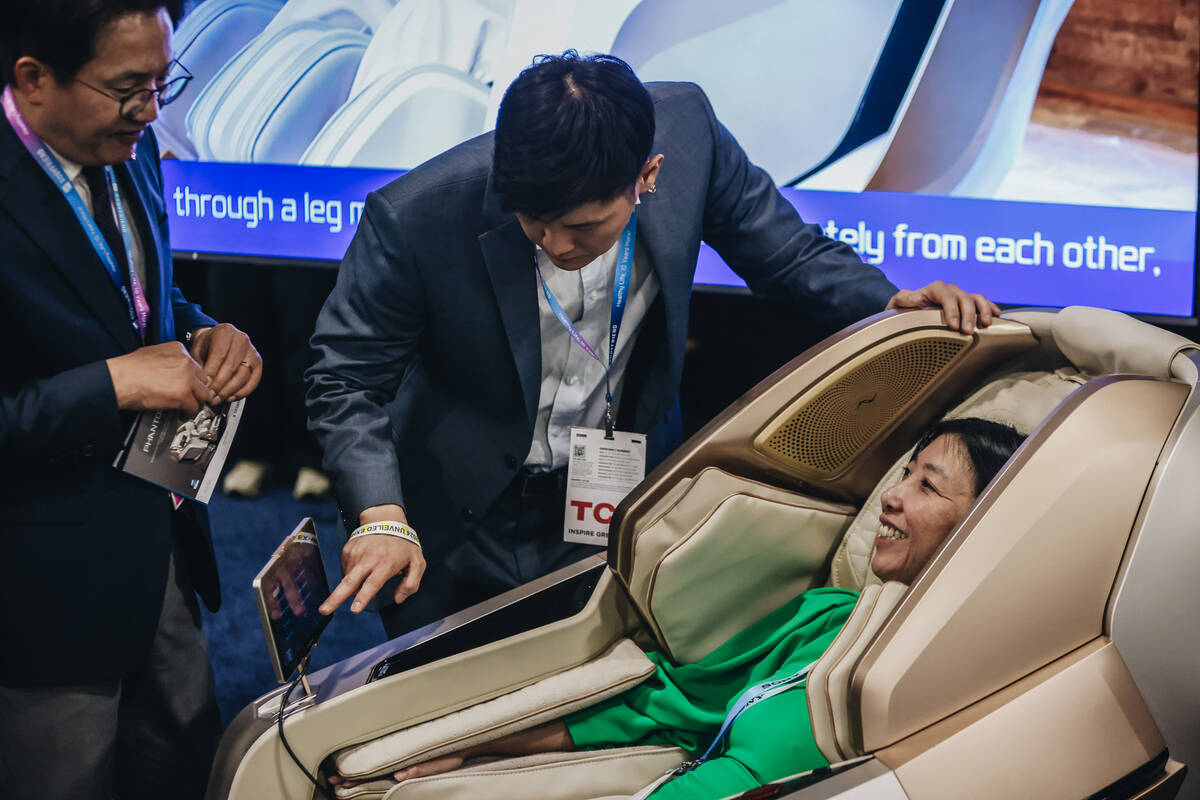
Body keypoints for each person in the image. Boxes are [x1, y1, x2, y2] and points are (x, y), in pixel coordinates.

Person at [307, 52, 1003, 638]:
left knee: (591, 693)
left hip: (617, 487)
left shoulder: (692, 136)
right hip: (457, 510)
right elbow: (344, 378)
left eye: (582, 227)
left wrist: (886, 302)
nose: (552, 244)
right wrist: (381, 515)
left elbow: (786, 254)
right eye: (533, 221)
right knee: (435, 708)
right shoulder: (416, 216)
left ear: (648, 175)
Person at [328, 417, 1026, 799]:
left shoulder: (968, 682)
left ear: (983, 524)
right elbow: (662, 707)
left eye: (928, 484)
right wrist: (466, 753)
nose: (894, 496)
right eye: (903, 474)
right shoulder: (828, 618)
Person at [0, 3, 262, 799]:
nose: (152, 110)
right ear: (34, 80)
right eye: (126, 89)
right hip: (42, 597)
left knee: (182, 766)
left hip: (160, 549)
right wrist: (115, 382)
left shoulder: (128, 150)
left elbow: (142, 299)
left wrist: (208, 330)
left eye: (161, 82)